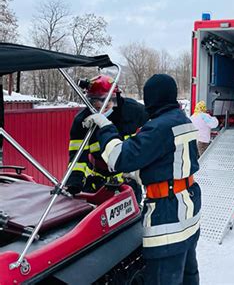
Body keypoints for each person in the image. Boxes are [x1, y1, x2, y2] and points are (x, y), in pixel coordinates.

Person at [83, 74, 201, 285]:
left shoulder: (159, 127)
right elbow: (174, 161)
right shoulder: (183, 119)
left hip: (168, 216)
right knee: (187, 275)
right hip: (188, 209)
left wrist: (105, 127)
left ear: (152, 99)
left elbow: (119, 158)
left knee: (162, 278)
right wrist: (142, 174)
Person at [65, 75, 148, 196]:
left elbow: (153, 133)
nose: (99, 104)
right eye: (93, 100)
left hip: (128, 180)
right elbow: (77, 157)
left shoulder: (134, 112)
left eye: (104, 99)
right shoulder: (83, 121)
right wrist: (74, 182)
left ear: (115, 97)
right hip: (98, 181)